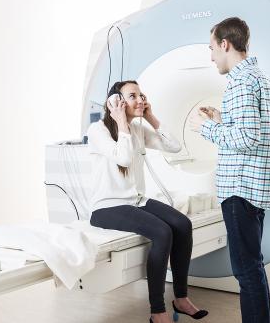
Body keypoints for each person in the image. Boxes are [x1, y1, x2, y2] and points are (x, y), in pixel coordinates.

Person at [87, 80, 208, 323]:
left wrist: (151, 117)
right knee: (163, 232)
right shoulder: (98, 130)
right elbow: (122, 157)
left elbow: (174, 146)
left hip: (136, 201)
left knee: (182, 224)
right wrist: (121, 121)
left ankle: (181, 299)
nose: (141, 99)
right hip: (107, 207)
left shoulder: (138, 129)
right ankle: (157, 311)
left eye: (141, 95)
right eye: (133, 96)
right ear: (116, 102)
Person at [189, 17, 270, 323]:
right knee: (254, 266)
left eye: (212, 48)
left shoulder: (240, 84)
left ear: (225, 44)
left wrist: (207, 129)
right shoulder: (264, 80)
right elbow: (264, 135)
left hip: (239, 189)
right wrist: (221, 118)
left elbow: (246, 137)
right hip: (258, 187)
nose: (212, 56)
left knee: (245, 270)